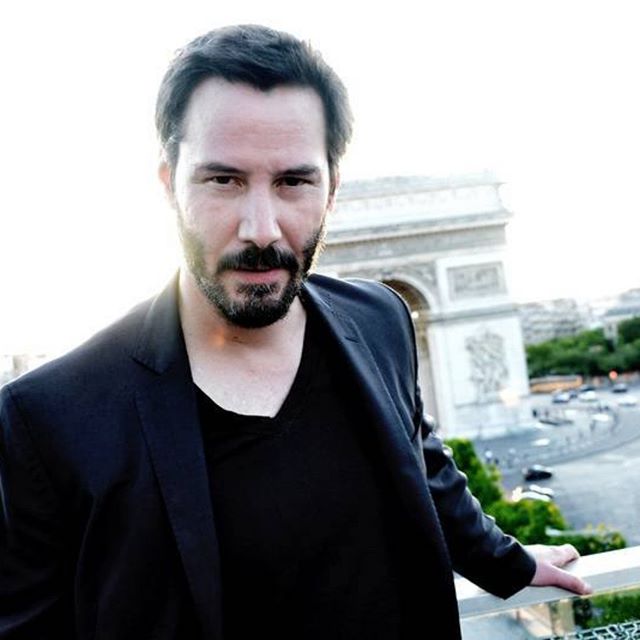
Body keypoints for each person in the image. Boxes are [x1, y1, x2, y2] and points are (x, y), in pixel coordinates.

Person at [0, 24, 591, 640]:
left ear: (331, 191)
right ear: (169, 185)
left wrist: (506, 560)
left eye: (293, 182)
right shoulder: (49, 418)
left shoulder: (380, 320)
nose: (261, 228)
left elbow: (423, 465)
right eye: (224, 180)